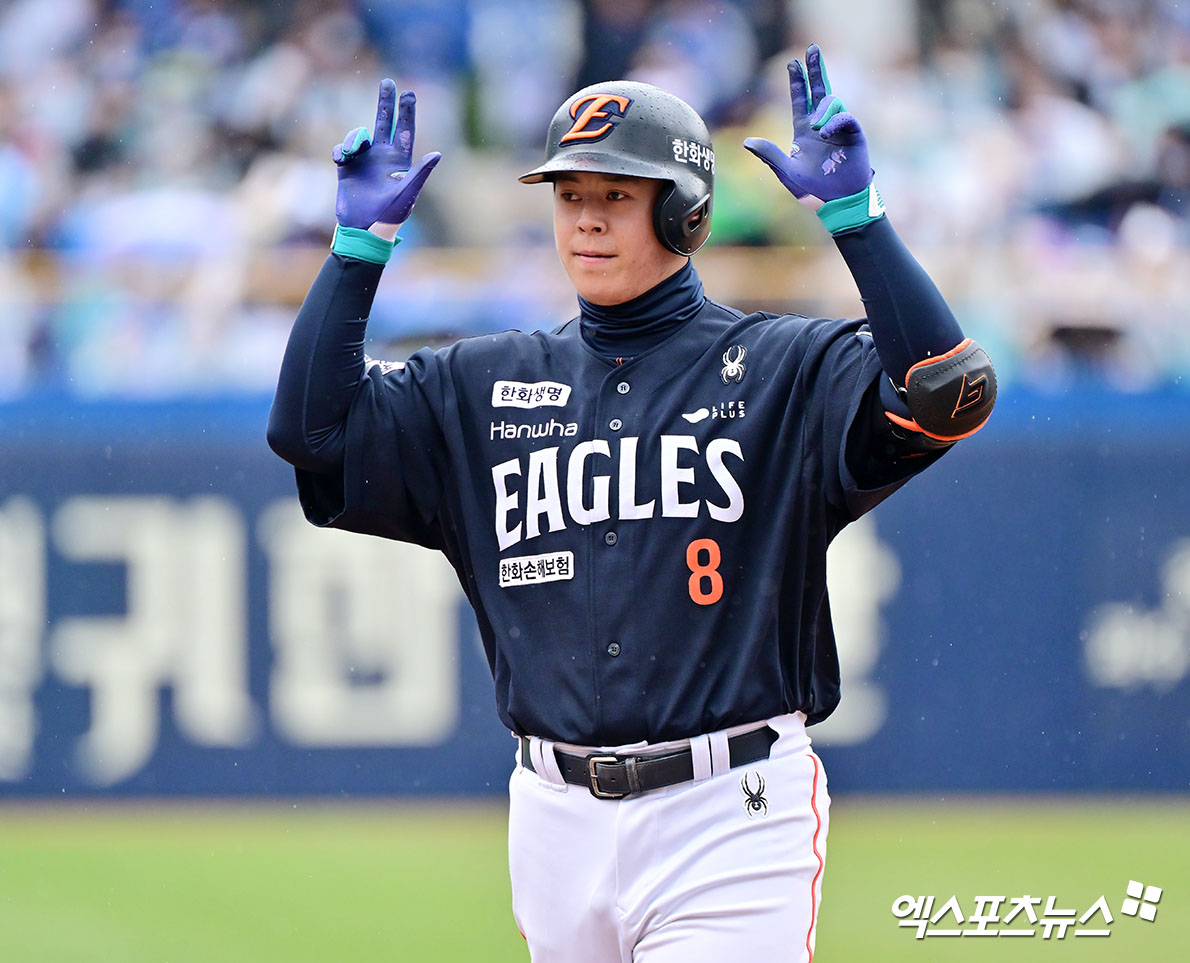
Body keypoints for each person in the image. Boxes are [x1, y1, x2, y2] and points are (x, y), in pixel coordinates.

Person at [268, 44, 995, 963]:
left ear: (686, 212)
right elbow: (312, 433)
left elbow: (950, 390)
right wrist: (355, 253)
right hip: (552, 817)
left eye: (616, 194)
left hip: (731, 808)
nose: (586, 218)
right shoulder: (483, 384)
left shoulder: (781, 368)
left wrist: (860, 223)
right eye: (570, 194)